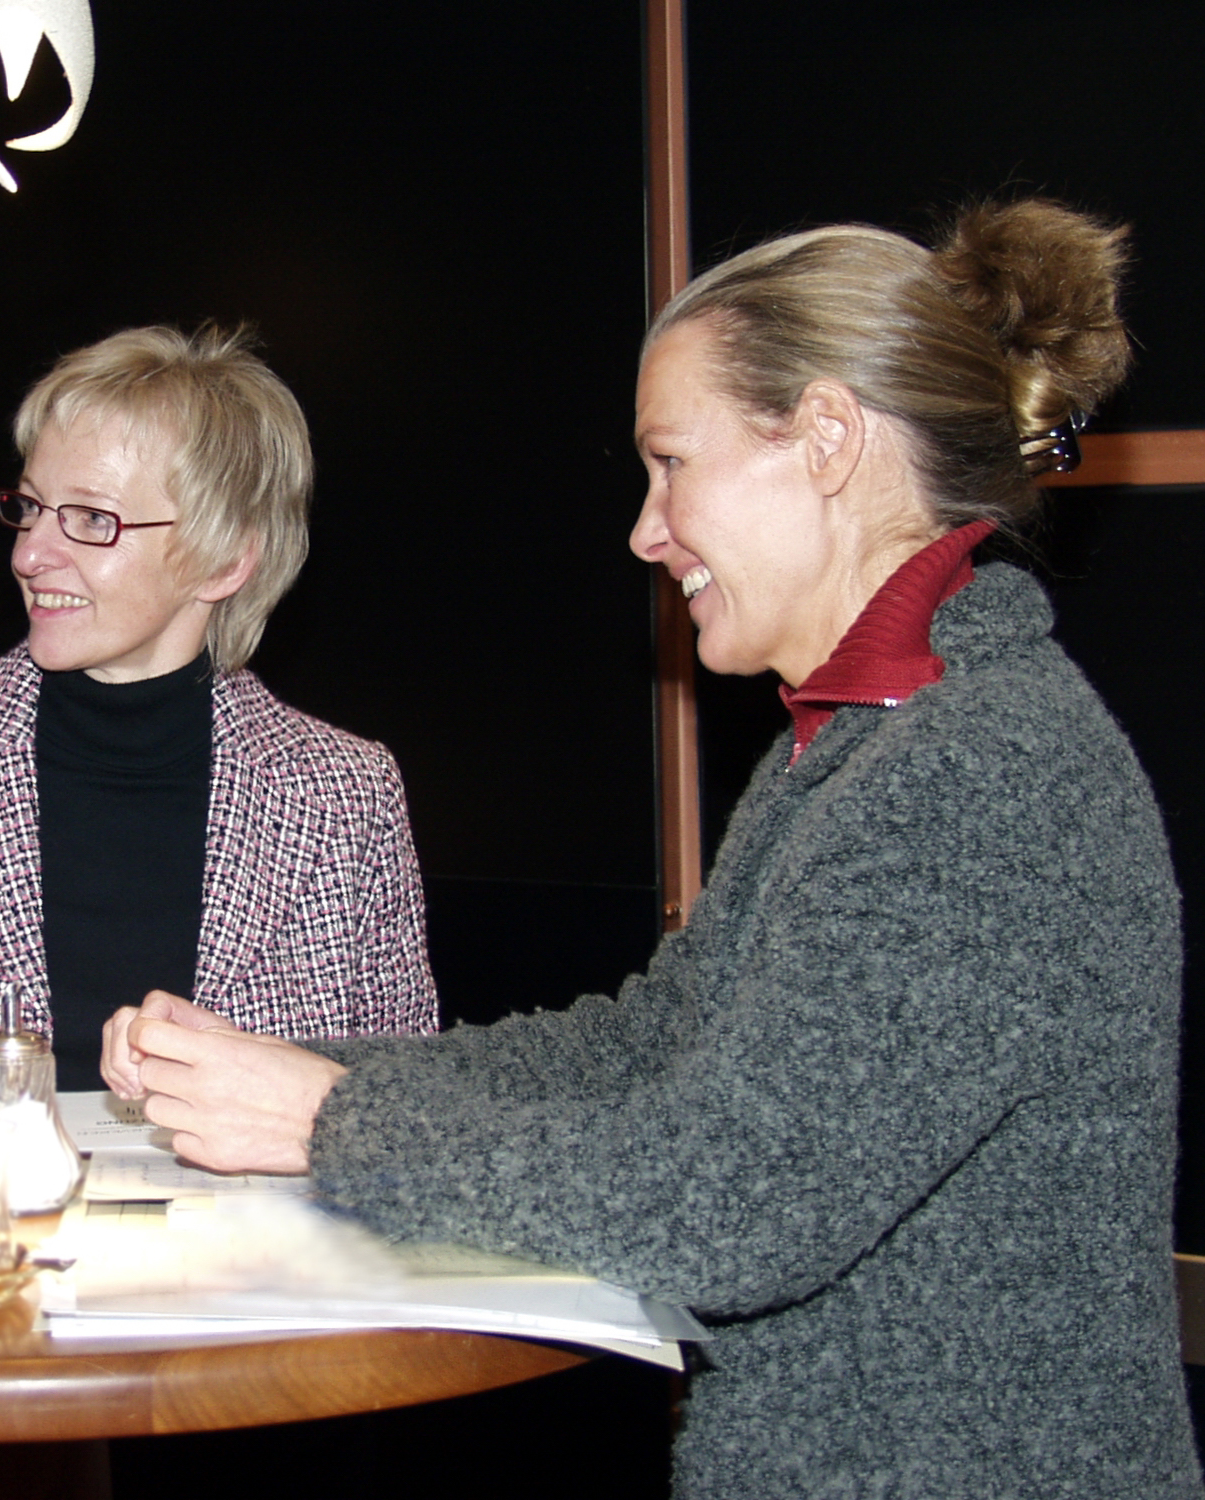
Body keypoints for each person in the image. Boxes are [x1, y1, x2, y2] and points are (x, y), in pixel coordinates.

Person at [111, 201, 1199, 1494]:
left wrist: (331, 1119)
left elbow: (731, 1200)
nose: (644, 529)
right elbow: (650, 1049)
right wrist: (303, 1073)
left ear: (825, 438)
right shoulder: (865, 744)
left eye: (670, 463)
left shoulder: (977, 767)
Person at [0, 324, 437, 1107]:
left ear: (224, 561)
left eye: (93, 519)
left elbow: (402, 1115)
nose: (28, 554)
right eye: (31, 507)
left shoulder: (345, 796)